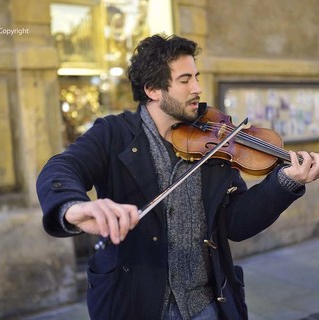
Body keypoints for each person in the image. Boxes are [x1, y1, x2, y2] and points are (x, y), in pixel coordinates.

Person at [36, 34, 319, 320]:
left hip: (207, 306)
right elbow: (62, 167)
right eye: (185, 80)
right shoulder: (114, 134)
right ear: (153, 89)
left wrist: (286, 182)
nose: (197, 87)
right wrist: (73, 206)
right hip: (135, 304)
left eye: (196, 76)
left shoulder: (217, 139)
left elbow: (236, 224)